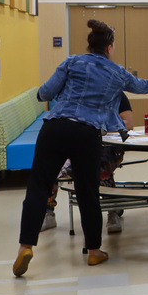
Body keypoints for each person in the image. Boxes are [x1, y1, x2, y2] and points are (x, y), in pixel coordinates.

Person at [13, 20, 148, 276]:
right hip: (86, 132)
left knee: (38, 185)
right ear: (109, 48)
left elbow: (45, 93)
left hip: (55, 126)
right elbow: (142, 85)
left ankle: (25, 246)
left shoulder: (71, 62)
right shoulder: (117, 72)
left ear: (90, 45)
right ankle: (93, 252)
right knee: (88, 190)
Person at [41, 92, 133, 234]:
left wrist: (100, 129)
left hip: (108, 145)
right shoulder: (79, 92)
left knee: (100, 165)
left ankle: (113, 211)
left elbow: (129, 123)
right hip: (78, 143)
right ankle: (48, 213)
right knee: (52, 164)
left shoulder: (116, 94)